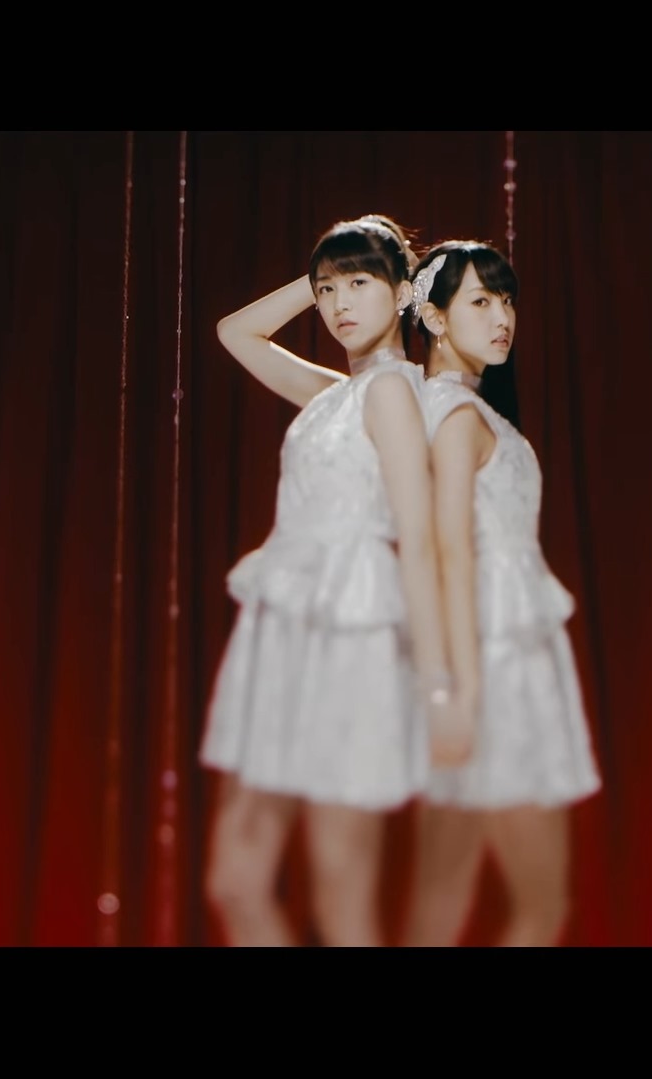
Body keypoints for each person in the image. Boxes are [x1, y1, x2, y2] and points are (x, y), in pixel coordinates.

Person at [199, 215, 461, 946]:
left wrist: (439, 685)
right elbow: (235, 332)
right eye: (327, 290)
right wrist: (330, 268)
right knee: (237, 881)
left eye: (358, 284)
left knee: (342, 898)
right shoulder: (334, 393)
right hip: (287, 633)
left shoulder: (397, 394)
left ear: (404, 293)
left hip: (354, 639)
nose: (339, 303)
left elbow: (421, 540)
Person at [399, 241, 601, 947]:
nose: (502, 317)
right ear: (433, 317)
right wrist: (461, 692)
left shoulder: (455, 410)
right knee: (535, 900)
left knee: (445, 893)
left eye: (507, 300)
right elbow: (450, 552)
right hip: (492, 665)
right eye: (481, 301)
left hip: (490, 656)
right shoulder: (454, 416)